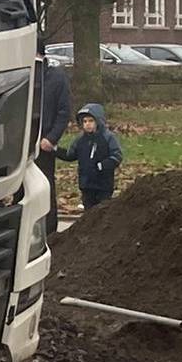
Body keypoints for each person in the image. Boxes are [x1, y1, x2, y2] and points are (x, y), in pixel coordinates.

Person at [34, 42, 73, 229]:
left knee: (45, 185)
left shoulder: (56, 78)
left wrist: (51, 138)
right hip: (22, 144)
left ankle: (49, 229)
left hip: (44, 143)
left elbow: (64, 111)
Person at [55, 103, 123, 210]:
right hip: (86, 184)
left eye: (91, 121)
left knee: (102, 211)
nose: (87, 124)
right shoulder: (80, 139)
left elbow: (117, 155)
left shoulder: (108, 137)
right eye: (85, 121)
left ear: (98, 121)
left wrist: (102, 166)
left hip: (103, 184)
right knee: (88, 211)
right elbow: (70, 155)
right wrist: (55, 150)